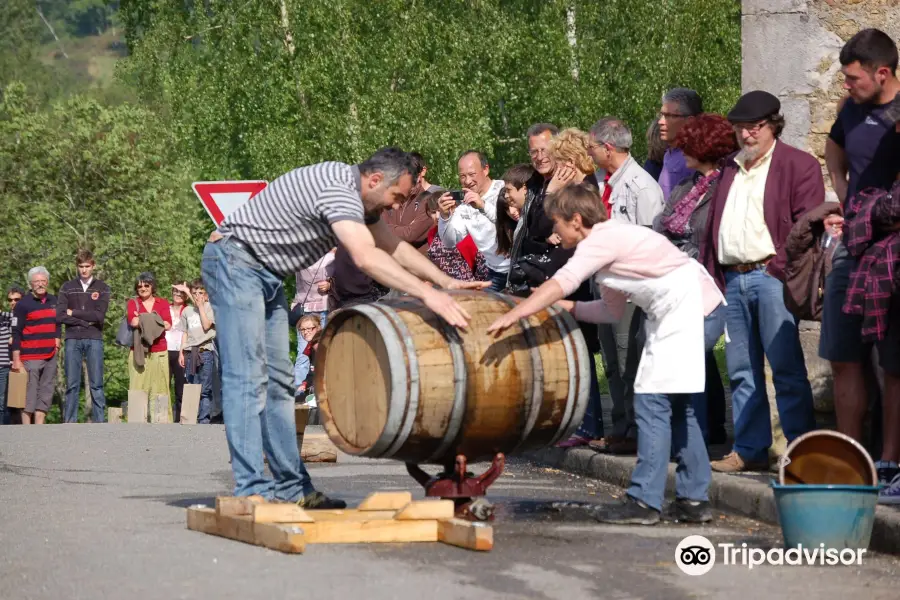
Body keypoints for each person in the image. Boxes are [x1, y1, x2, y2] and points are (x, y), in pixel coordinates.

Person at [202, 147, 486, 509]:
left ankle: (291, 489)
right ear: (373, 180)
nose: (394, 209)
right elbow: (368, 257)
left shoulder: (362, 198)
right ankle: (248, 490)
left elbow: (393, 246)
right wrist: (428, 296)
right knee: (248, 377)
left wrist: (446, 282)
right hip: (234, 260)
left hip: (267, 273)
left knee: (278, 382)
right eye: (394, 198)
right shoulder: (338, 187)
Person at [486, 183, 724, 525]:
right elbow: (610, 311)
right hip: (689, 308)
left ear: (576, 220)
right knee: (677, 407)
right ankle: (693, 500)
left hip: (685, 309)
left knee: (652, 401)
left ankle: (644, 502)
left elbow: (563, 281)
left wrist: (515, 313)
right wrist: (563, 306)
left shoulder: (601, 240)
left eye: (557, 223)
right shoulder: (610, 245)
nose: (553, 230)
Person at [701, 90, 821, 473]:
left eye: (754, 128)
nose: (746, 136)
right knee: (740, 370)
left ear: (773, 126)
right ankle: (750, 449)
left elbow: (808, 225)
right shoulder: (729, 168)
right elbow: (712, 227)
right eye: (740, 129)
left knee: (785, 368)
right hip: (733, 280)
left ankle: (802, 453)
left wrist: (778, 269)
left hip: (772, 277)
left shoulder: (797, 165)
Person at [821, 28, 900, 498]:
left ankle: (890, 461)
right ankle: (850, 460)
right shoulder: (850, 109)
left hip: (891, 246)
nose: (846, 86)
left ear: (883, 72)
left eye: (853, 78)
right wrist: (843, 188)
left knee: (894, 361)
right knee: (843, 353)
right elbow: (834, 146)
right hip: (854, 244)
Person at [653, 113, 739, 445]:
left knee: (691, 353)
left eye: (689, 145)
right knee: (696, 357)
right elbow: (662, 223)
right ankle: (708, 428)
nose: (681, 151)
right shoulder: (687, 186)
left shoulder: (724, 186)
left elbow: (712, 234)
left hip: (712, 281)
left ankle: (696, 435)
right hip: (680, 283)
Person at [437, 150, 509, 291]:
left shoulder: (504, 189)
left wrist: (482, 205)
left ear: (485, 169)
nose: (467, 181)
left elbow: (514, 222)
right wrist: (444, 217)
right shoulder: (464, 204)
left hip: (517, 266)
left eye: (472, 174)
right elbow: (450, 242)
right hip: (494, 272)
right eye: (462, 176)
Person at [56, 249, 111, 423]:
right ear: (77, 267)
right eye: (81, 266)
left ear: (93, 265)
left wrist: (75, 313)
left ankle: (100, 421)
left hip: (94, 339)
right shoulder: (67, 287)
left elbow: (99, 316)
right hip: (72, 338)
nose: (84, 270)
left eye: (87, 266)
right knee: (72, 383)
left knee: (96, 383)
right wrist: (85, 321)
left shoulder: (102, 288)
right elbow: (60, 315)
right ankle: (69, 421)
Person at [11, 267, 61, 425]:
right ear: (31, 284)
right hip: (29, 356)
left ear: (47, 282)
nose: (40, 284)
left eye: (43, 281)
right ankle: (27, 427)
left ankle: (39, 427)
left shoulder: (54, 300)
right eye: (36, 281)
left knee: (46, 390)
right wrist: (16, 360)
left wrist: (57, 340)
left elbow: (58, 323)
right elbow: (16, 332)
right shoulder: (22, 305)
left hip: (50, 354)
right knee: (29, 391)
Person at [127, 272, 173, 421]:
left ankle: (160, 424)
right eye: (139, 286)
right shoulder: (132, 303)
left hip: (160, 351)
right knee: (137, 389)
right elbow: (133, 322)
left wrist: (142, 319)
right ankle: (137, 424)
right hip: (138, 352)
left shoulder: (163, 303)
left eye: (146, 285)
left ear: (152, 286)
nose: (143, 288)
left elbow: (168, 325)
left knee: (160, 391)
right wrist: (155, 320)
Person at [177, 280, 216, 424]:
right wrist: (181, 352)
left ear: (206, 295)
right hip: (190, 352)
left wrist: (200, 307)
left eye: (201, 293)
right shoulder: (187, 311)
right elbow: (185, 333)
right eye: (195, 293)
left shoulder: (210, 308)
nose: (198, 296)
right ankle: (190, 418)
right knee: (191, 386)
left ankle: (204, 419)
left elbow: (207, 326)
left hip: (205, 351)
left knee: (205, 389)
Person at [657, 87, 704, 201]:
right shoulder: (669, 153)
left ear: (690, 121)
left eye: (670, 116)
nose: (660, 122)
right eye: (662, 115)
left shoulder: (696, 157)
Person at [0, 286, 24, 425]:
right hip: (6, 364)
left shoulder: (19, 318)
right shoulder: (5, 317)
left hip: (13, 364)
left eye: (17, 299)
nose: (13, 302)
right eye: (10, 300)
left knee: (9, 401)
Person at [166, 283, 188, 422]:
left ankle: (180, 418)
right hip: (165, 350)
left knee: (181, 387)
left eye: (181, 293)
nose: (178, 295)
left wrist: (188, 290)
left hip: (181, 352)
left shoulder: (189, 310)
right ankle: (165, 417)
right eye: (175, 292)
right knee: (164, 386)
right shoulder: (165, 308)